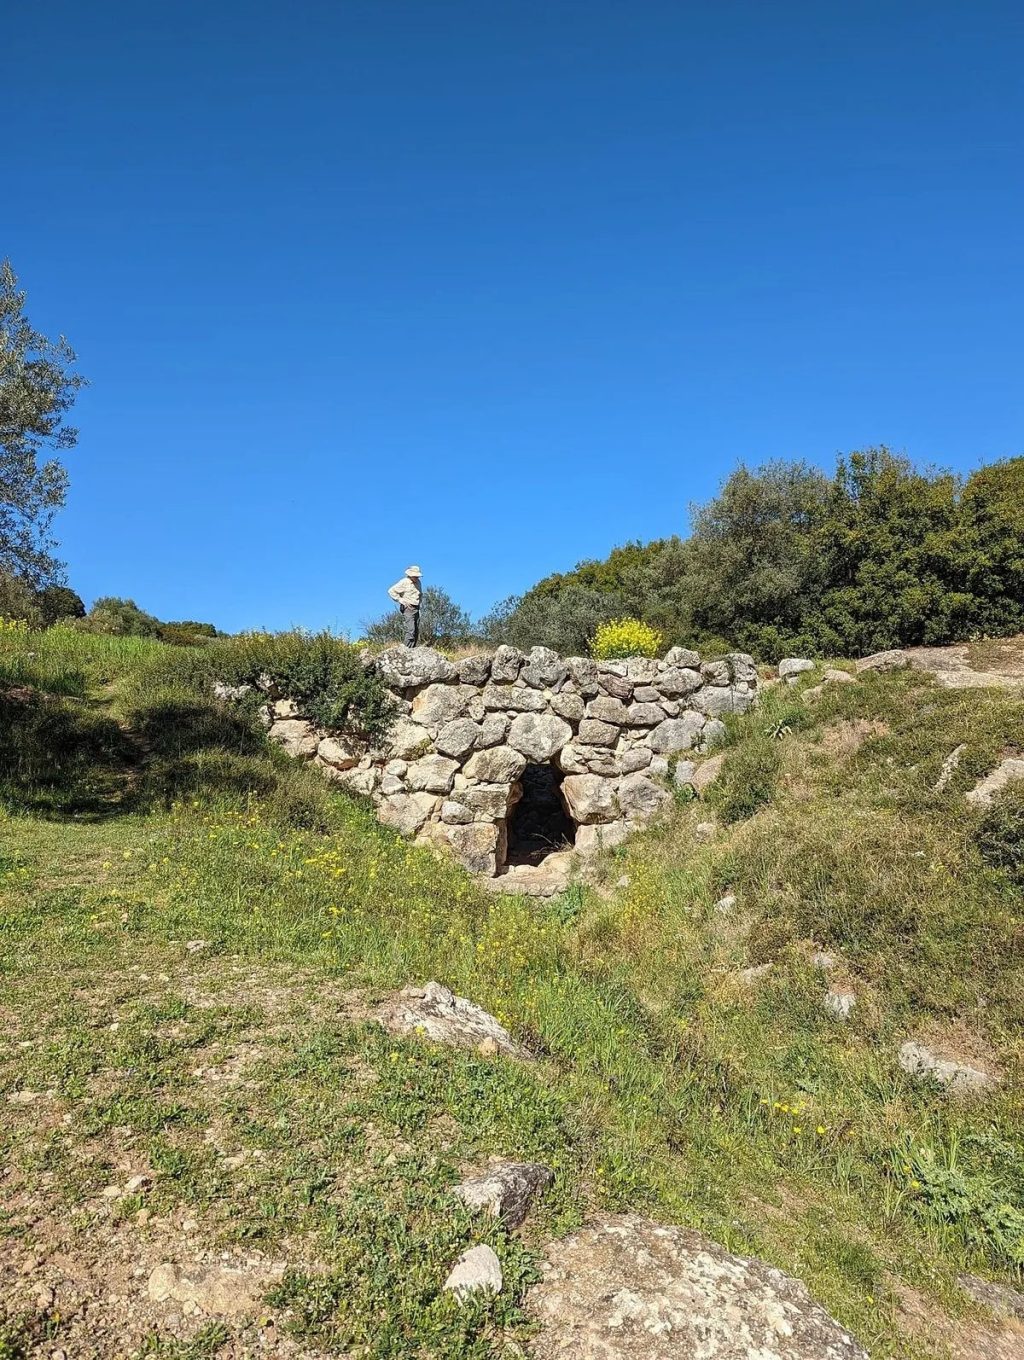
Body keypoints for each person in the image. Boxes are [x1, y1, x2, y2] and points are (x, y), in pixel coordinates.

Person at [387, 564, 423, 647]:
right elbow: (391, 591)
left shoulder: (418, 582)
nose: (417, 578)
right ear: (410, 575)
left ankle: (413, 649)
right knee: (411, 629)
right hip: (408, 607)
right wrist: (401, 600)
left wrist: (419, 602)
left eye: (417, 576)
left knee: (416, 630)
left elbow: (420, 594)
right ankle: (405, 650)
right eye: (415, 576)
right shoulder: (404, 582)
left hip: (416, 607)